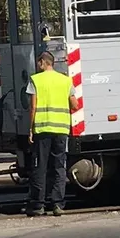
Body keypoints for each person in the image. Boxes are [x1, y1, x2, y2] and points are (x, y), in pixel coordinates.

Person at [26, 51, 75, 217]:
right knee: (59, 167)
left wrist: (30, 129)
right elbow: (74, 104)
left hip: (42, 130)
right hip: (61, 130)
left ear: (42, 62)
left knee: (40, 167)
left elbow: (33, 107)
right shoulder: (66, 80)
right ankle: (57, 204)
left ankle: (38, 205)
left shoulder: (35, 80)